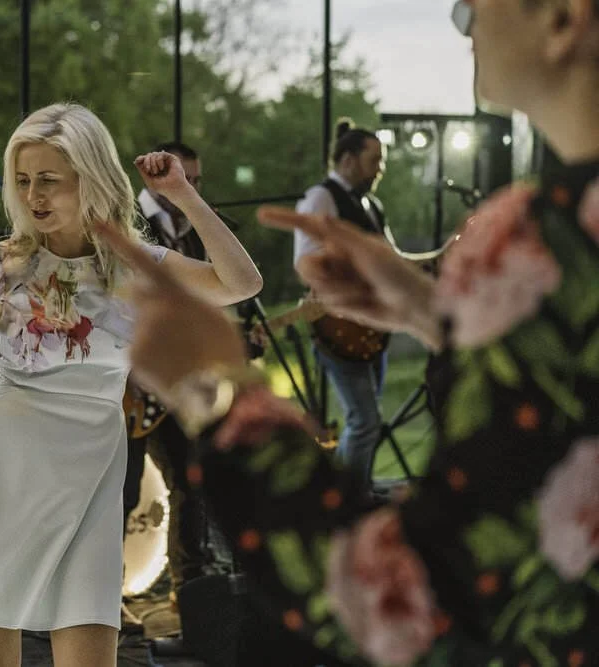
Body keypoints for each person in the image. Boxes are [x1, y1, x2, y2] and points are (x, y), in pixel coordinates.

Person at [98, 0, 599, 664]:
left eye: (472, 3)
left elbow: (408, 607)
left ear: (565, 17)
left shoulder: (540, 239)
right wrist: (435, 314)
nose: (464, 20)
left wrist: (218, 393)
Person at [0, 102, 262, 667]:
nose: (34, 196)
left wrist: (184, 195)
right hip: (7, 462)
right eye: (24, 180)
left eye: (49, 181)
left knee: (90, 642)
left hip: (91, 463)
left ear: (91, 179)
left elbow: (240, 282)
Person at [124, 140, 214, 611]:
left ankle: (193, 594)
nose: (193, 188)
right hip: (131, 383)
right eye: (187, 178)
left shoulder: (192, 230)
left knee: (190, 480)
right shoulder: (132, 224)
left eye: (198, 181)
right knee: (120, 489)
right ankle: (88, 602)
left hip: (175, 384)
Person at [294, 119, 390, 499]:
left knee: (364, 420)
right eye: (374, 160)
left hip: (370, 326)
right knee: (365, 420)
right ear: (348, 160)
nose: (380, 168)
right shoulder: (322, 198)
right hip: (338, 325)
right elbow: (307, 261)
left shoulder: (372, 205)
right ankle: (349, 503)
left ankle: (352, 498)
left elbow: (391, 261)